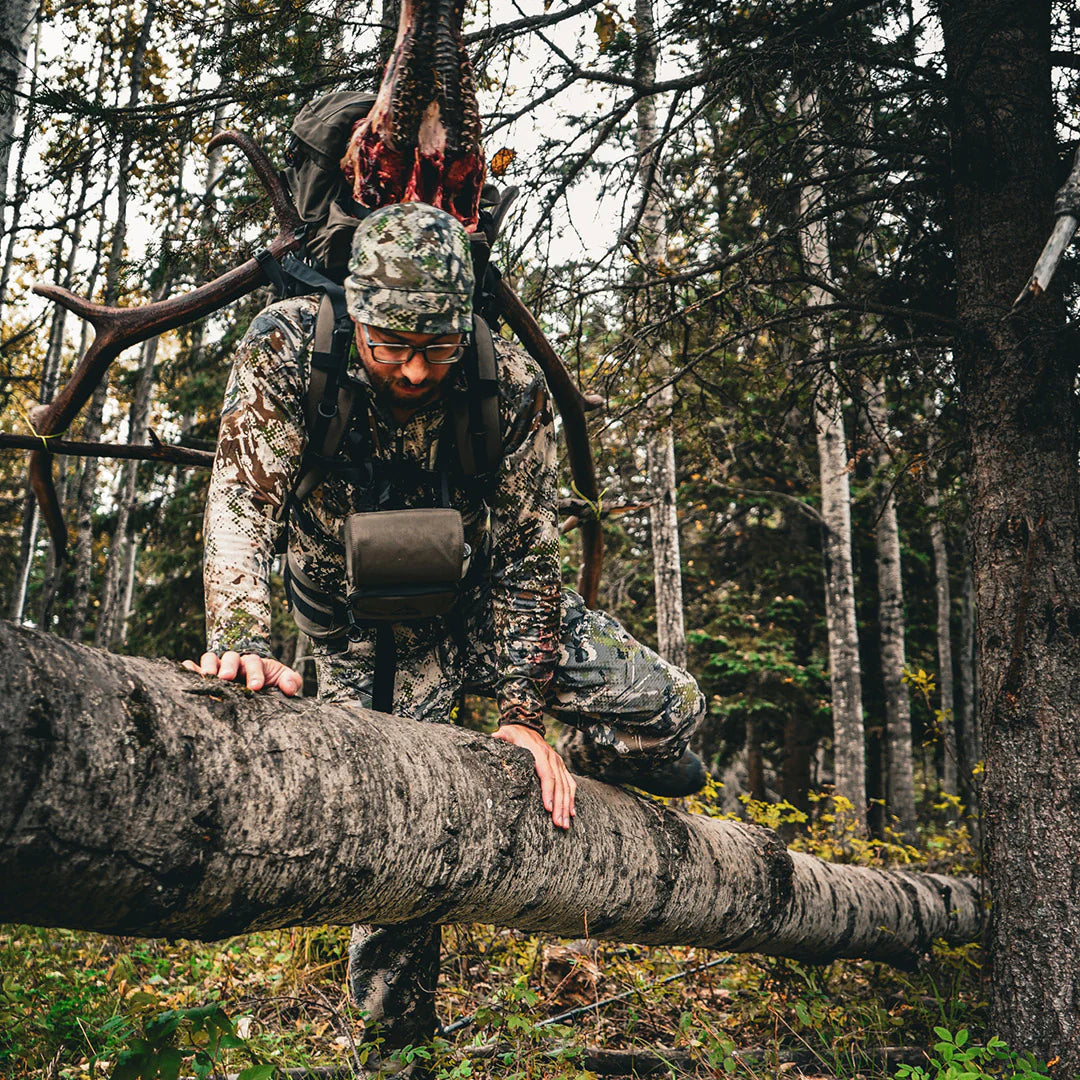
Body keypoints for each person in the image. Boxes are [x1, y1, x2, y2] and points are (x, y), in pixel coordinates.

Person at [185, 201, 706, 1073]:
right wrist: (241, 635)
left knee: (672, 708)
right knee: (401, 833)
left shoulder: (510, 384)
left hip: (479, 609)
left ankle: (576, 785)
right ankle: (397, 1058)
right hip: (361, 630)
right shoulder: (288, 348)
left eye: (438, 346)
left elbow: (532, 557)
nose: (417, 370)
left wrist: (523, 717)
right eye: (391, 346)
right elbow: (241, 503)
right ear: (354, 313)